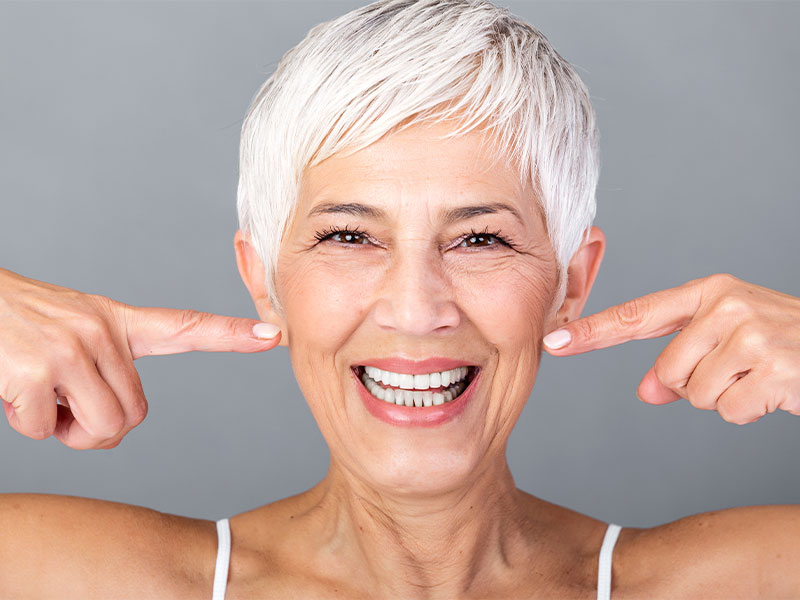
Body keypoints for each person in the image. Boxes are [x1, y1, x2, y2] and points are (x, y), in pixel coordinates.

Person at [1, 0, 799, 597]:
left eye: (480, 239)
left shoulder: (740, 581)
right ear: (263, 279)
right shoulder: (66, 574)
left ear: (571, 284)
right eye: (350, 238)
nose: (417, 310)